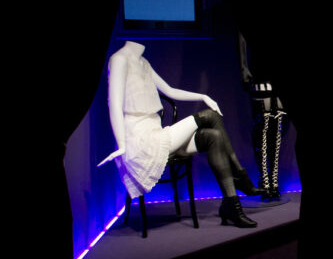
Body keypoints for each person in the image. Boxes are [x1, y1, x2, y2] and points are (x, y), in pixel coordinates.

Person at [97, 41, 265, 228]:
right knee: (209, 116)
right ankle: (241, 177)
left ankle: (231, 205)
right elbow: (114, 105)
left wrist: (203, 96)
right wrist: (121, 144)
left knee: (213, 137)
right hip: (141, 141)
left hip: (156, 133)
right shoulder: (119, 59)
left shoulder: (142, 61)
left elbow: (169, 90)